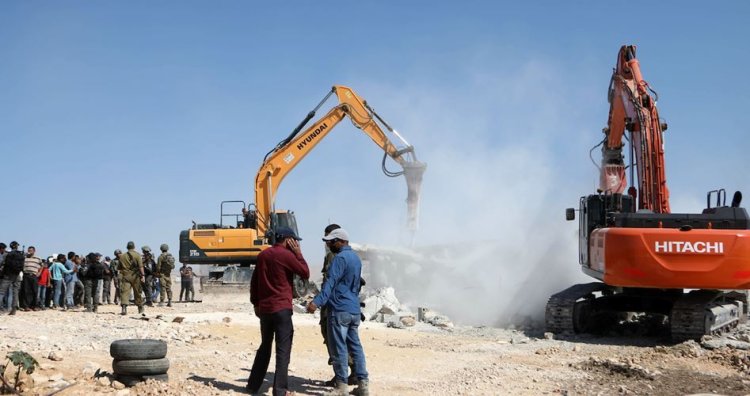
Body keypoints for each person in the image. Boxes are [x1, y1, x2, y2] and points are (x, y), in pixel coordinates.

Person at [246, 226, 310, 396]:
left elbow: (254, 282)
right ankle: (280, 390)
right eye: (294, 241)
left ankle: (252, 385)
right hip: (281, 309)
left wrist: (256, 304)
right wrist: (298, 254)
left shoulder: (262, 255)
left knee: (265, 346)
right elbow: (305, 273)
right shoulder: (287, 255)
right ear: (288, 240)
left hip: (265, 310)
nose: (296, 243)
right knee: (283, 350)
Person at [307, 228, 369, 396]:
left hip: (339, 309)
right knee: (355, 347)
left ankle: (341, 387)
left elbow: (330, 283)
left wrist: (316, 302)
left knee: (339, 348)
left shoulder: (339, 258)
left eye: (332, 241)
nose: (329, 245)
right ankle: (363, 385)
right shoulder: (356, 258)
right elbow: (356, 285)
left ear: (342, 241)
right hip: (354, 309)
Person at [119, 241, 145, 315]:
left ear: (127, 247)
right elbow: (141, 266)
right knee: (137, 292)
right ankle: (140, 308)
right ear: (134, 247)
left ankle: (124, 308)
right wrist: (143, 275)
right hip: (135, 276)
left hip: (126, 276)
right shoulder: (137, 255)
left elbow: (119, 268)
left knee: (125, 292)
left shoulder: (122, 256)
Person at [0, 241, 24, 315]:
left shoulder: (7, 254)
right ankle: (13, 309)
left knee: (1, 292)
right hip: (17, 275)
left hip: (7, 275)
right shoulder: (20, 254)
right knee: (15, 292)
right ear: (17, 246)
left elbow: (1, 263)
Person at [22, 246, 43, 311]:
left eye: (31, 250)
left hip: (34, 276)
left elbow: (42, 266)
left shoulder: (38, 258)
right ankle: (26, 306)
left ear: (34, 251)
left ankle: (34, 306)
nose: (30, 251)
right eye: (29, 250)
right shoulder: (25, 257)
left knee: (35, 291)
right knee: (26, 291)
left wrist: (39, 272)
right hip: (26, 275)